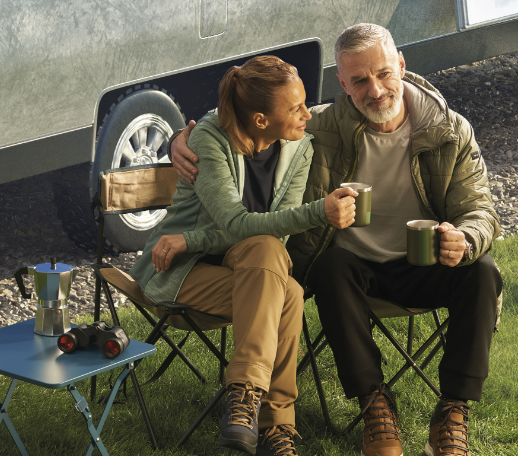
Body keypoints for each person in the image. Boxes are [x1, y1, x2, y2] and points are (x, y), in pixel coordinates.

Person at [171, 24, 502, 456]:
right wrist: (181, 139)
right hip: (352, 271)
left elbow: (482, 211)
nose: (376, 90)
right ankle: (374, 405)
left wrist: (465, 237)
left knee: (481, 270)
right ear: (343, 84)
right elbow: (249, 115)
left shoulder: (450, 130)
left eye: (383, 73)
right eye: (360, 80)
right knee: (330, 268)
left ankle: (453, 410)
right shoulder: (320, 128)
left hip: (425, 263)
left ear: (401, 65)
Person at [129, 55, 357, 456]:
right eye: (295, 107)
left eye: (305, 102)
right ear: (260, 120)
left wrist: (191, 237)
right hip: (181, 269)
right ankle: (274, 426)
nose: (307, 113)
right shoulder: (209, 139)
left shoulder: (300, 147)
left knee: (270, 255)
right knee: (286, 294)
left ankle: (244, 402)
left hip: (250, 268)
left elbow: (274, 230)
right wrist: (320, 211)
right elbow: (236, 224)